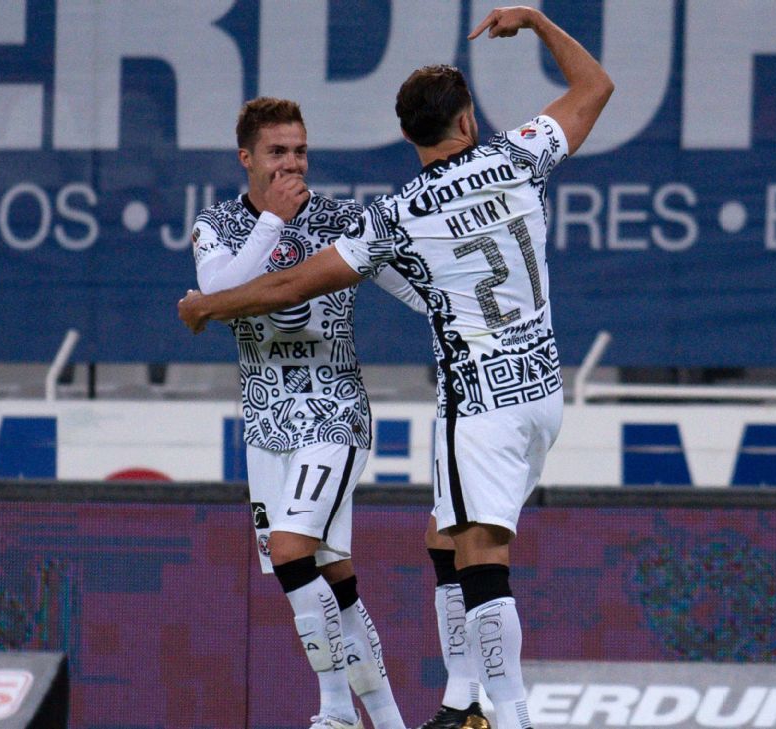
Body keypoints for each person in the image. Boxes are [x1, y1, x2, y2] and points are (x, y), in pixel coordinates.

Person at [180, 7, 613, 727]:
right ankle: (456, 704)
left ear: (409, 137)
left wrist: (208, 306)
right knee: (443, 538)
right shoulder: (520, 154)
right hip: (542, 387)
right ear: (467, 119)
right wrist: (538, 22)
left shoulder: (398, 215)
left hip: (479, 400)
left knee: (479, 559)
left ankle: (508, 715)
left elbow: (291, 286)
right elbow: (594, 87)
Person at [192, 96, 426, 729]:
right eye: (277, 152)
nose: (291, 164)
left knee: (292, 552)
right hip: (266, 426)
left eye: (299, 151)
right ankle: (388, 720)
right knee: (334, 581)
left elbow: (413, 289)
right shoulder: (217, 225)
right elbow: (219, 296)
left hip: (333, 413)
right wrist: (272, 221)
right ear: (246, 158)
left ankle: (335, 712)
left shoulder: (342, 222)